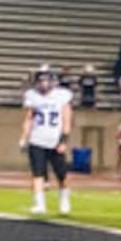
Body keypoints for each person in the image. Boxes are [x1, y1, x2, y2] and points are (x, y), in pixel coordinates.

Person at [21, 65, 76, 215]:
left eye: (46, 80)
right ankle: (40, 204)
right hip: (37, 139)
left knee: (62, 175)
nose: (44, 83)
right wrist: (24, 138)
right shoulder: (32, 95)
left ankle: (64, 200)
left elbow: (66, 119)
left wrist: (64, 140)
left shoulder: (62, 95)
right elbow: (28, 119)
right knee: (37, 174)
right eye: (41, 80)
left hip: (54, 139)